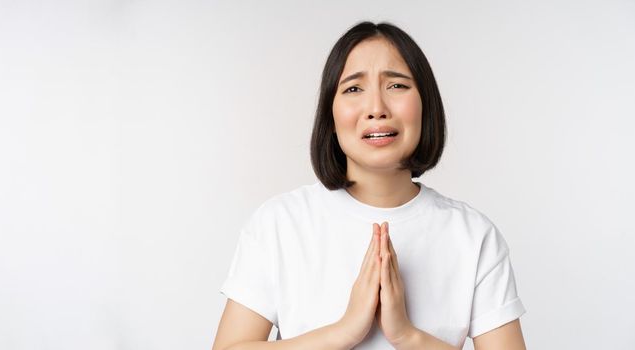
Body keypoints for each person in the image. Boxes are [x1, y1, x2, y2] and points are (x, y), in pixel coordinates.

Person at [213, 21, 527, 350]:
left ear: (426, 105)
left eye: (397, 86)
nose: (377, 109)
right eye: (353, 89)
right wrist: (344, 331)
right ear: (330, 117)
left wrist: (407, 335)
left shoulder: (474, 236)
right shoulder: (280, 223)